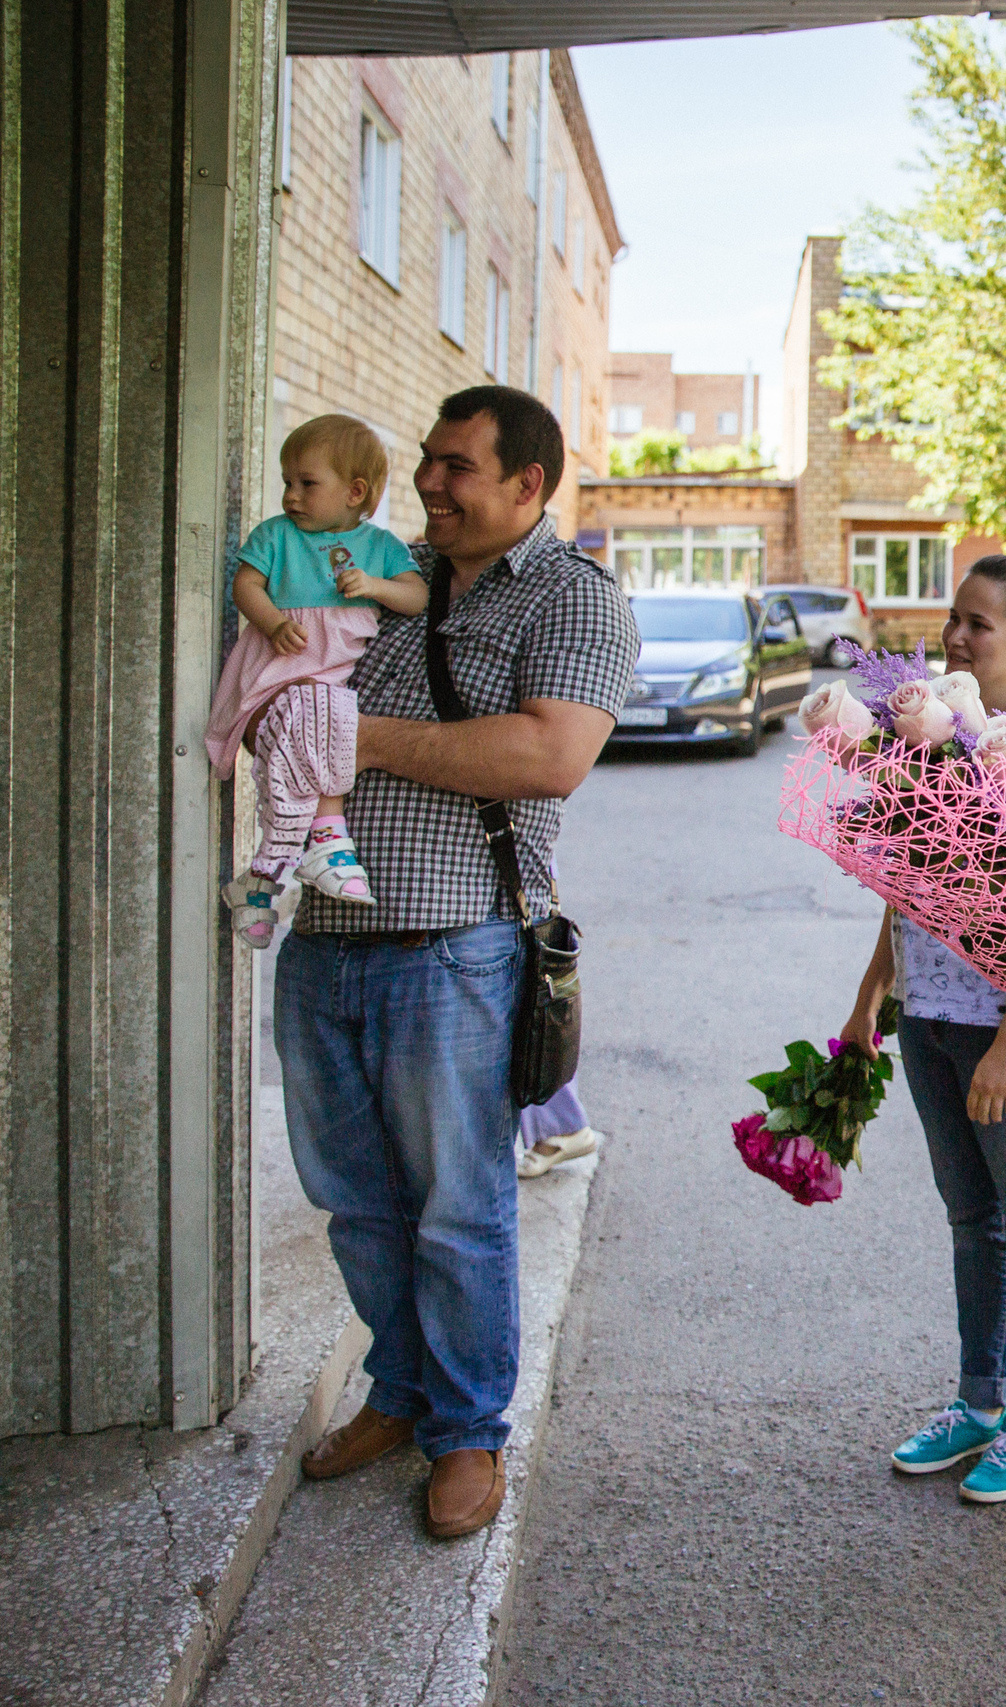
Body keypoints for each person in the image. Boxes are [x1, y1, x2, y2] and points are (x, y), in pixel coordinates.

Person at [278, 386, 640, 1541]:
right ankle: (404, 1391)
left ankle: (472, 1430)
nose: (428, 483)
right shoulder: (385, 576)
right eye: (427, 463)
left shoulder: (575, 601)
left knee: (457, 1210)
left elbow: (547, 755)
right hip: (324, 942)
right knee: (354, 1205)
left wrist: (360, 741)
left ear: (528, 486)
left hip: (456, 950)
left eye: (456, 468)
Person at [842, 555, 1006, 1506]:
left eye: (979, 625)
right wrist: (875, 990)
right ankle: (980, 1399)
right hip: (932, 1014)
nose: (956, 637)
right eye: (954, 618)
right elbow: (906, 880)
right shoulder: (925, 734)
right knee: (972, 1218)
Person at [209, 414, 429, 944]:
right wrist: (273, 622)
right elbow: (246, 586)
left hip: (329, 672)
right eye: (288, 482)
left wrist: (375, 585)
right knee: (318, 722)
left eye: (307, 484)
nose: (291, 496)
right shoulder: (276, 535)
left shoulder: (379, 546)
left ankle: (262, 879)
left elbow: (415, 596)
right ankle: (327, 840)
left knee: (312, 740)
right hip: (285, 661)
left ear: (356, 491)